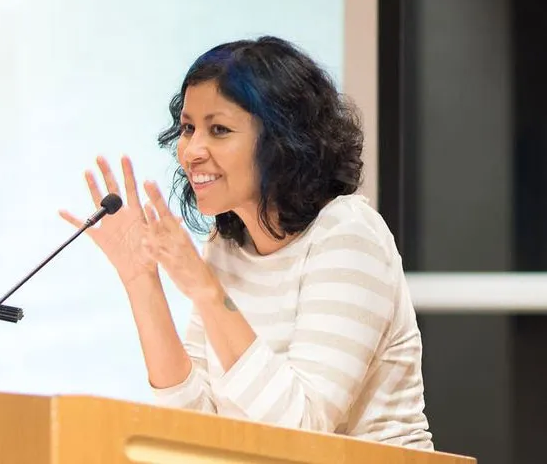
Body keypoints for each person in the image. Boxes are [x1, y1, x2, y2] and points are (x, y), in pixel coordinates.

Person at [59, 36, 433, 449]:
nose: (191, 151)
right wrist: (140, 281)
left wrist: (205, 290)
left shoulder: (348, 234)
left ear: (281, 141)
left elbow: (303, 430)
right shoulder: (227, 242)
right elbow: (192, 425)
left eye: (218, 130)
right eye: (187, 128)